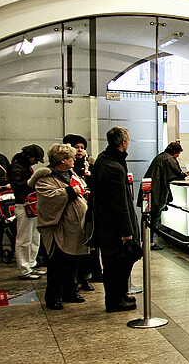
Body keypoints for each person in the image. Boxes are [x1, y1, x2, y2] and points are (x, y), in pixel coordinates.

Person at [30, 143, 90, 310]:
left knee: (73, 262)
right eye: (71, 157)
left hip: (74, 228)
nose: (74, 159)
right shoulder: (45, 178)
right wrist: (70, 192)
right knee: (57, 264)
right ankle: (53, 297)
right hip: (59, 228)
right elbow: (48, 199)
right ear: (63, 160)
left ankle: (70, 291)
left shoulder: (70, 173)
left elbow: (79, 187)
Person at [88, 127, 139, 312]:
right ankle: (115, 300)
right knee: (117, 264)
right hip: (113, 226)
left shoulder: (104, 159)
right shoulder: (113, 167)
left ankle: (120, 295)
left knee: (114, 263)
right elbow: (120, 202)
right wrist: (127, 231)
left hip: (106, 222)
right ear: (123, 142)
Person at [64, 134, 100, 290]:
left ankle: (90, 275)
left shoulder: (89, 165)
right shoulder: (66, 170)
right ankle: (76, 280)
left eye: (82, 147)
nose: (80, 150)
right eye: (76, 147)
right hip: (73, 212)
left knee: (90, 245)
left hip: (88, 207)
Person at [8, 144, 45, 280]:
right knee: (24, 239)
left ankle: (31, 265)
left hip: (31, 206)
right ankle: (24, 269)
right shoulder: (16, 167)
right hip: (23, 206)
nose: (36, 162)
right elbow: (17, 185)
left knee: (34, 238)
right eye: (35, 159)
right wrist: (33, 180)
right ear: (29, 156)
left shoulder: (24, 167)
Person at [143, 141, 189, 250]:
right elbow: (176, 174)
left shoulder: (160, 157)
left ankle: (146, 241)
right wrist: (183, 174)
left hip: (150, 190)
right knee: (154, 217)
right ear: (175, 151)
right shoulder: (169, 159)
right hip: (157, 192)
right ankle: (149, 243)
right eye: (178, 154)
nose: (178, 156)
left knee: (148, 217)